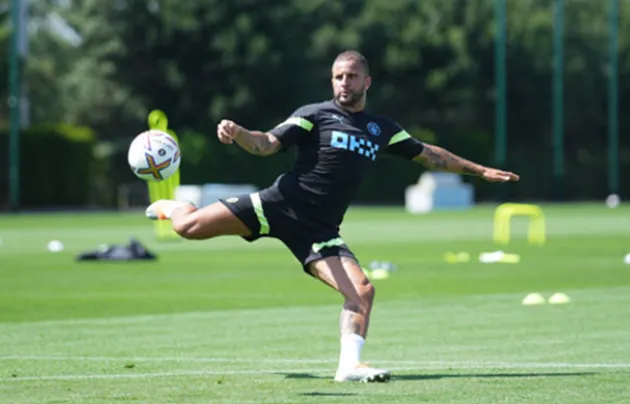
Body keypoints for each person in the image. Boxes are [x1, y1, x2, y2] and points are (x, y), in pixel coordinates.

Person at [146, 50, 520, 383]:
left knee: (362, 292)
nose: (344, 82)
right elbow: (266, 145)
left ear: (367, 81)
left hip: (319, 231)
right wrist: (239, 132)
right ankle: (173, 207)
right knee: (186, 227)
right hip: (276, 205)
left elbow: (429, 154)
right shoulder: (314, 115)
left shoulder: (381, 130)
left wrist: (480, 171)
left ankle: (349, 367)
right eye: (338, 76)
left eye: (352, 76)